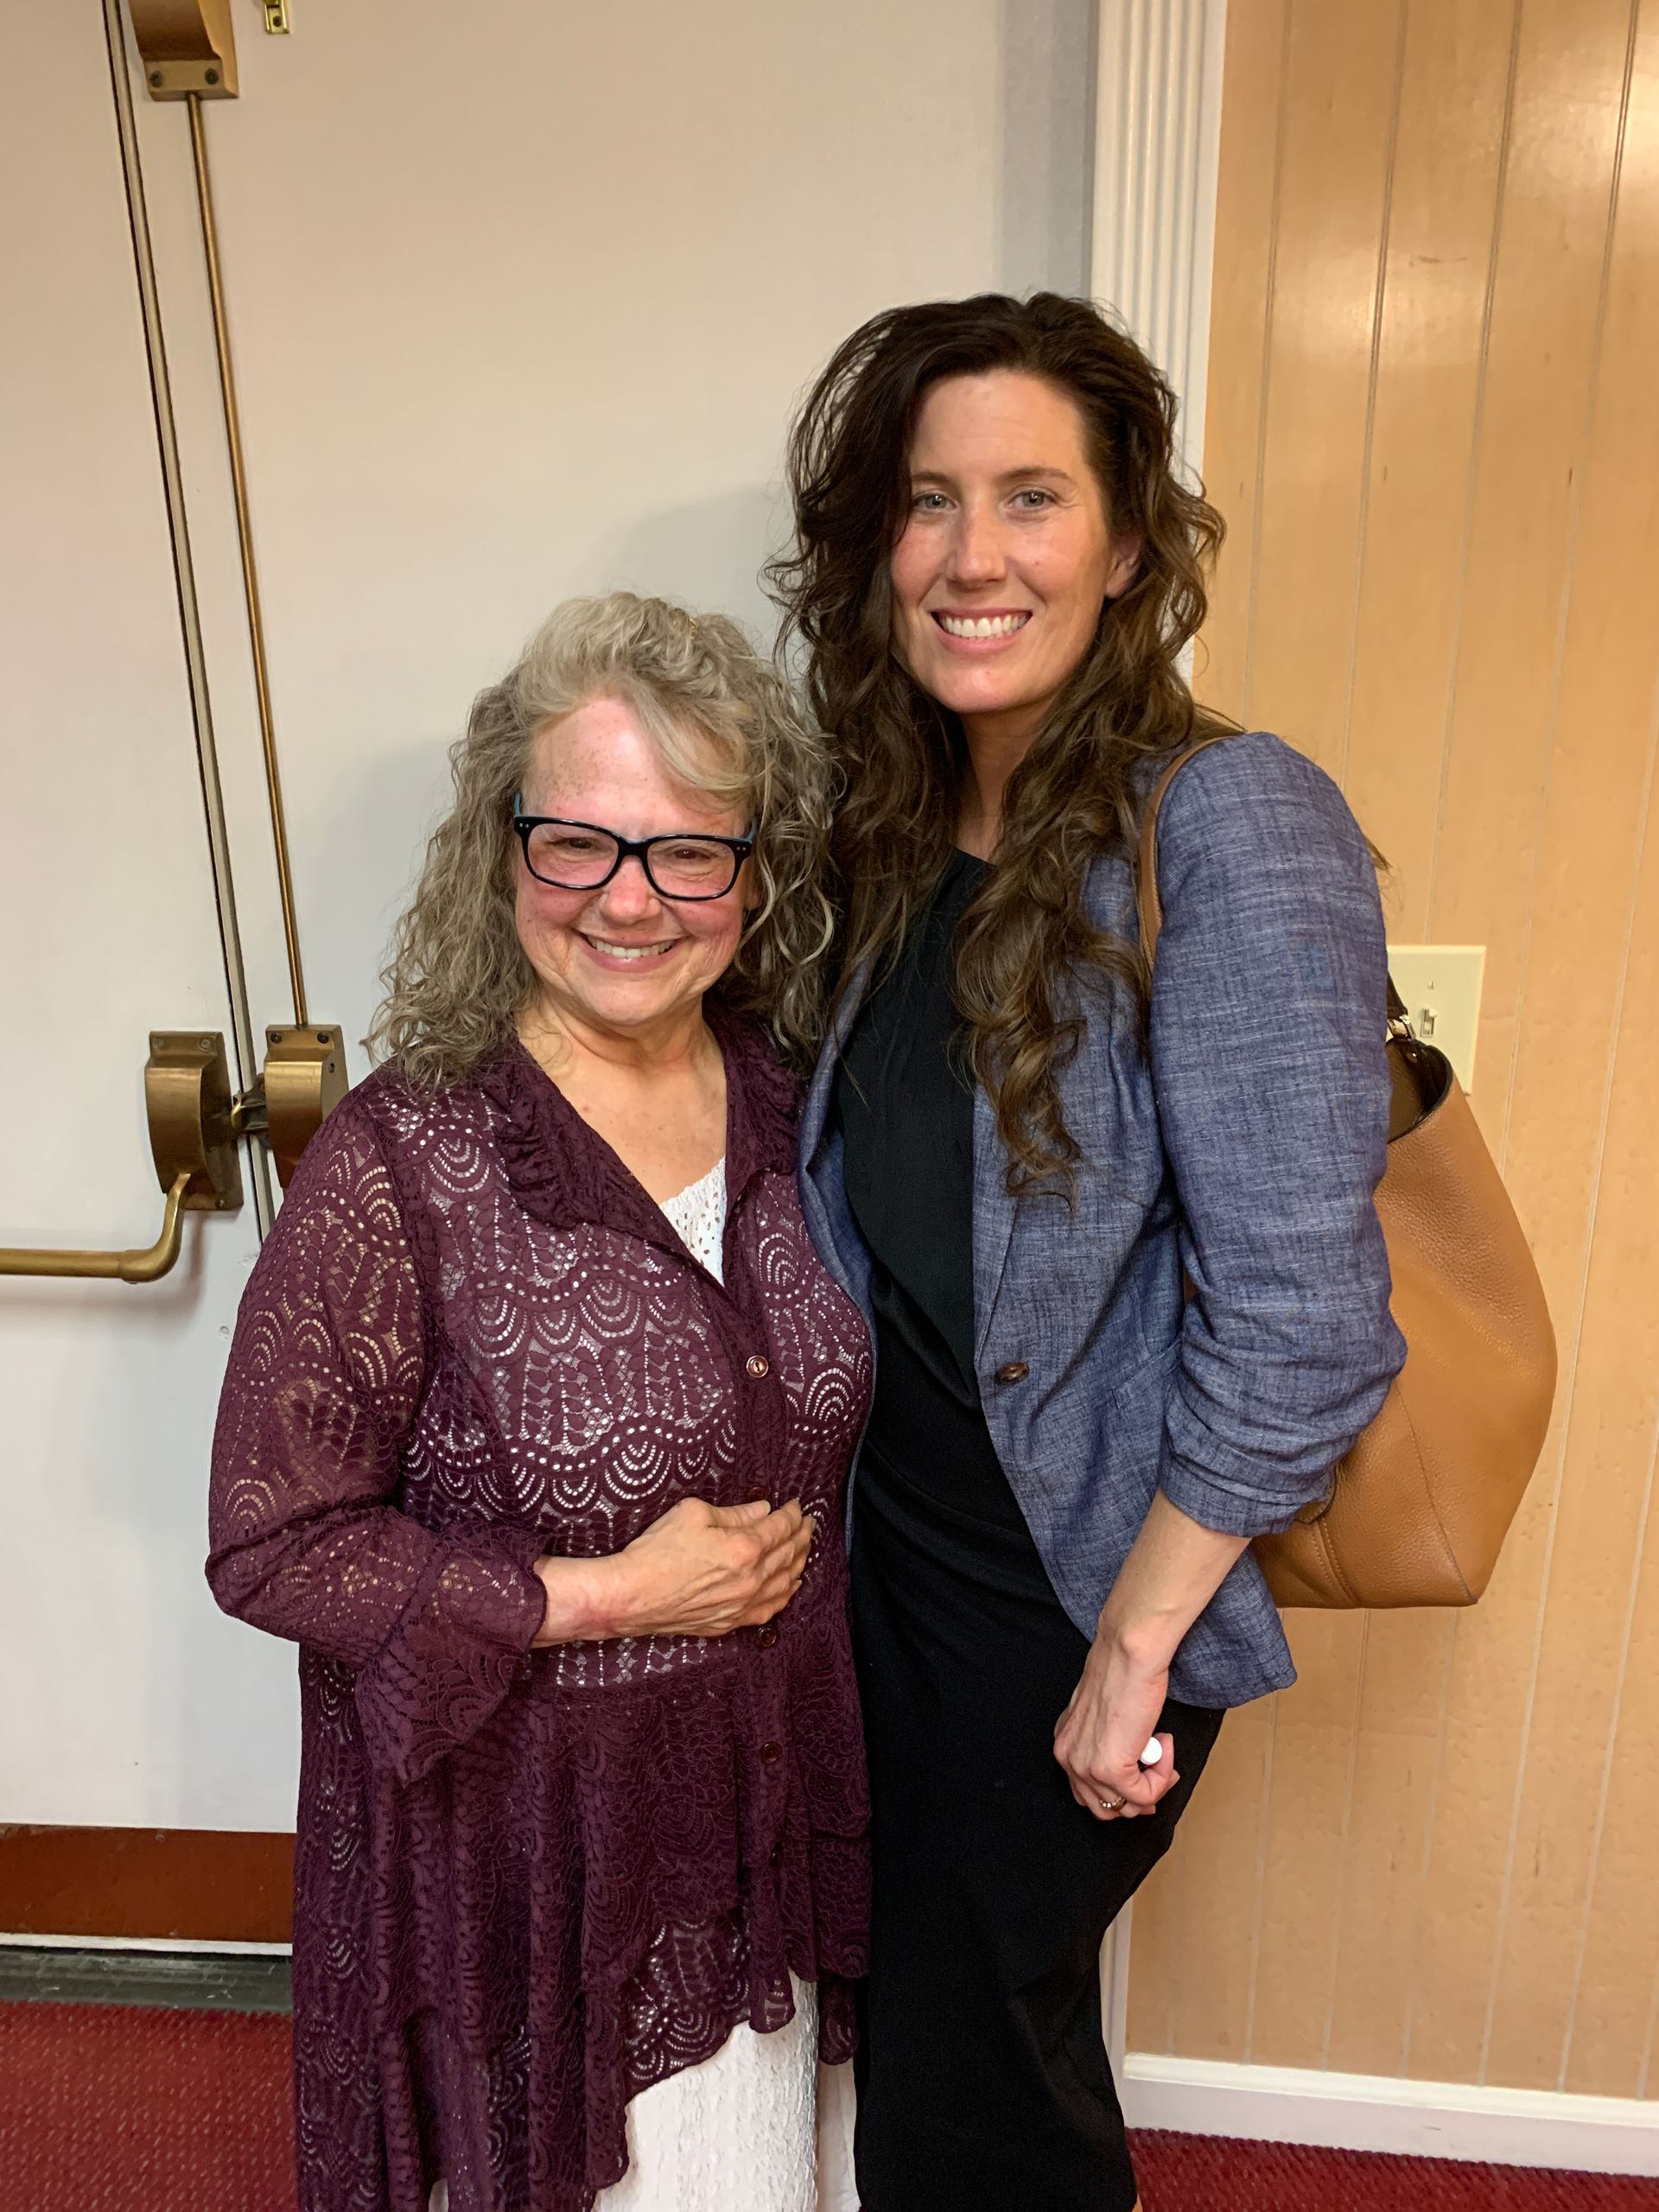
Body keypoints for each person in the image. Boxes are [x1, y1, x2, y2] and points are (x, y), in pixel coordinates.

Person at [772, 292, 1407, 2212]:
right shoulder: (892, 842)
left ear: (1127, 546)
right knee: (964, 2046)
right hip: (894, 1565)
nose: (975, 555)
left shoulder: (1228, 816)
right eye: (929, 499)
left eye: (1032, 496)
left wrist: (1133, 1652)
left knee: (971, 2093)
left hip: (1066, 1594)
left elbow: (1305, 1319)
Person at [207, 594, 869, 2212]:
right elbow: (272, 1546)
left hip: (779, 1815)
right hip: (528, 1864)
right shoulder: (403, 1160)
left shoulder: (808, 1107)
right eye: (577, 841)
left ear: (756, 874)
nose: (630, 902)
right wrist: (609, 1594)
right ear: (501, 854)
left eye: (688, 850)